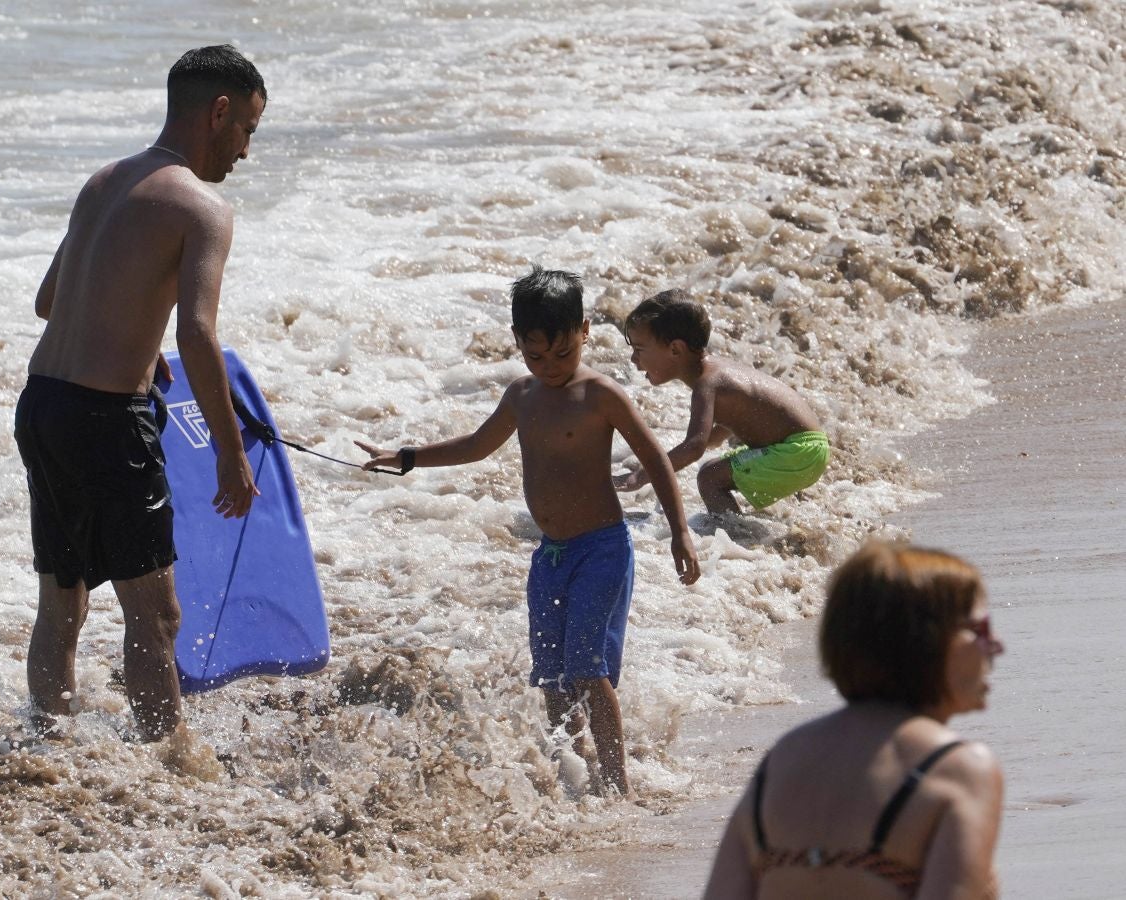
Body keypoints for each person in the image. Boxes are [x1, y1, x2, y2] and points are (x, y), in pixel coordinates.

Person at [356, 266, 700, 796]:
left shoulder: (601, 395)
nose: (551, 367)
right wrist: (407, 458)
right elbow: (475, 445)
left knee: (588, 669)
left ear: (585, 331)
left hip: (602, 550)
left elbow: (655, 459)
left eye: (563, 353)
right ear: (518, 342)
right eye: (536, 356)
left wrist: (680, 531)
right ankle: (571, 774)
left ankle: (618, 784)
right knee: (553, 677)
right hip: (551, 557)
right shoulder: (522, 396)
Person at [13, 45, 266, 742]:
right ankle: (170, 763)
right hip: (104, 422)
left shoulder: (104, 181)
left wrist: (131, 339)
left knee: (62, 604)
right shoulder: (204, 207)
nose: (246, 151)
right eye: (247, 129)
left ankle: (48, 744)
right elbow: (198, 334)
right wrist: (228, 451)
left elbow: (48, 302)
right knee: (155, 615)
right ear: (218, 112)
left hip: (43, 406)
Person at [703, 540, 1005, 899]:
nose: (996, 645)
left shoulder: (785, 759)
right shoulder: (959, 770)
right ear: (924, 638)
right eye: (980, 629)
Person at [614, 290, 830, 514]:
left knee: (709, 477)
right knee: (717, 471)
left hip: (796, 451)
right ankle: (737, 533)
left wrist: (639, 477)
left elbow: (694, 447)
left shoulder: (706, 384)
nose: (633, 358)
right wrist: (709, 438)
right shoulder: (718, 373)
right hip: (808, 449)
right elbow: (742, 414)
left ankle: (734, 539)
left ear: (675, 349)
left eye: (639, 349)